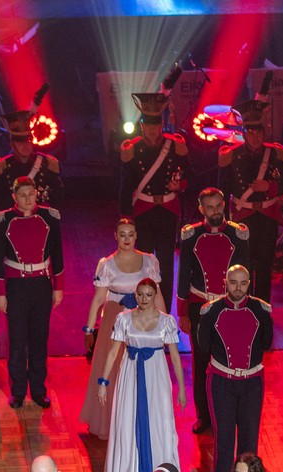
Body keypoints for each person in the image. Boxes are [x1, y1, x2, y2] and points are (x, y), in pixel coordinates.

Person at [97, 278, 186, 472]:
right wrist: (103, 381)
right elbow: (113, 352)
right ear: (135, 295)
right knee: (130, 420)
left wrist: (182, 389)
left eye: (149, 295)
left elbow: (175, 357)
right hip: (130, 375)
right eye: (140, 294)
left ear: (155, 296)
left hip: (156, 377)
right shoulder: (123, 319)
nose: (144, 299)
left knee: (158, 422)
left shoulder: (166, 321)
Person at [79, 219, 162, 439]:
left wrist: (166, 325)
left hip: (142, 320)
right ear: (116, 236)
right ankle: (113, 423)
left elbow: (158, 295)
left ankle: (139, 422)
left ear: (136, 236)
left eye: (130, 234)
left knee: (140, 370)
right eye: (122, 234)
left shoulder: (149, 261)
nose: (127, 239)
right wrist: (89, 329)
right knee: (114, 369)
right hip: (115, 321)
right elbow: (99, 299)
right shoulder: (107, 264)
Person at [218, 73, 283, 304]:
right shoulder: (232, 156)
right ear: (244, 133)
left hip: (267, 217)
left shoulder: (274, 154)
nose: (255, 137)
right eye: (251, 133)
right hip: (242, 216)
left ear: (264, 132)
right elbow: (222, 188)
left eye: (259, 132)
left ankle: (262, 307)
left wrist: (270, 186)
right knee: (242, 264)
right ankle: (243, 306)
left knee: (264, 265)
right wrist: (222, 221)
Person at [177, 188, 250, 433]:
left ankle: (229, 415)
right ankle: (204, 416)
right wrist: (182, 312)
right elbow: (183, 273)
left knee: (232, 363)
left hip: (231, 307)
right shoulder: (192, 235)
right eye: (210, 207)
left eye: (219, 206)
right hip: (200, 307)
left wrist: (245, 309)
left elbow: (246, 277)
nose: (216, 211)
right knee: (201, 364)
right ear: (201, 209)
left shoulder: (238, 234)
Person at [197, 265, 274, 472]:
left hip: (252, 382)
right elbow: (203, 344)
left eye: (243, 283)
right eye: (233, 282)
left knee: (249, 437)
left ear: (249, 283)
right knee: (224, 436)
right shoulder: (211, 311)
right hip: (221, 381)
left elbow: (267, 342)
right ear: (225, 282)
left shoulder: (261, 310)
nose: (238, 288)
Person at [0, 176, 65, 409]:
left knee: (39, 340)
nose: (27, 199)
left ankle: (39, 390)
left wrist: (58, 287)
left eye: (31, 195)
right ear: (14, 197)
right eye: (22, 195)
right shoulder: (3, 221)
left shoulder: (49, 217)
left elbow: (58, 254)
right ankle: (18, 391)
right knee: (17, 340)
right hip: (16, 286)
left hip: (41, 284)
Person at [119, 66, 187, 310]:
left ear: (161, 125)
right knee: (144, 263)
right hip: (144, 212)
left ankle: (165, 311)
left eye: (156, 126)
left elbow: (189, 175)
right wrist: (126, 217)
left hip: (167, 211)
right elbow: (125, 185)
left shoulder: (174, 146)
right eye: (148, 126)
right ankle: (144, 308)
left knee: (166, 264)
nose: (152, 130)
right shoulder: (133, 149)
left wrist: (179, 185)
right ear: (141, 126)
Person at [0, 84, 63, 206]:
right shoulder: (2, 167)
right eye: (20, 142)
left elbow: (57, 196)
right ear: (12, 144)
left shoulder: (48, 164)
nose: (25, 145)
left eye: (28, 141)